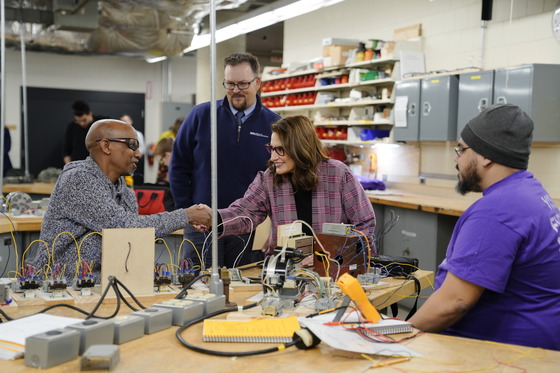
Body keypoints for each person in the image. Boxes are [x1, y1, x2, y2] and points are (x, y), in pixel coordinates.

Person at [409, 104, 560, 351]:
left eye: (461, 149)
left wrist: (398, 334)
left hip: (508, 352)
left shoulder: (497, 210)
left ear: (486, 155)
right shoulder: (530, 191)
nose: (456, 159)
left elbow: (455, 302)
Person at [35, 119, 211, 283]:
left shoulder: (125, 193)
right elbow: (123, 227)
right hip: (62, 285)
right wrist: (185, 215)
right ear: (106, 145)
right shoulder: (78, 179)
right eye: (132, 145)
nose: (138, 153)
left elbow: (129, 241)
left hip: (105, 284)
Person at [199, 115, 376, 258]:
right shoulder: (269, 178)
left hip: (332, 269)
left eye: (280, 150)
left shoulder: (338, 174)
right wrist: (213, 218)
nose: (273, 157)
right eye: (272, 148)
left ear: (299, 148)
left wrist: (333, 255)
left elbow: (365, 225)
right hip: (285, 269)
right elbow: (245, 213)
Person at [169, 52, 281, 269]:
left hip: (249, 227)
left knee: (243, 288)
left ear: (257, 83)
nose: (235, 91)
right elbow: (178, 167)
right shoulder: (201, 115)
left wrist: (273, 226)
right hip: (201, 224)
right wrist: (188, 212)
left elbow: (279, 179)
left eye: (242, 84)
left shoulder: (274, 124)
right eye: (230, 84)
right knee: (196, 286)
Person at [120, 113, 146, 184]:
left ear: (131, 122)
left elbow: (142, 149)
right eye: (122, 121)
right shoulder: (119, 134)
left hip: (135, 161)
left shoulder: (138, 134)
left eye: (126, 120)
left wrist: (132, 155)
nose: (124, 123)